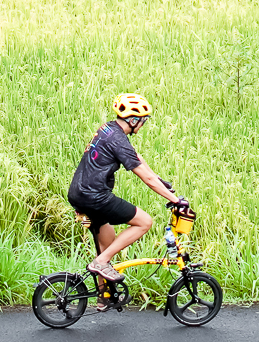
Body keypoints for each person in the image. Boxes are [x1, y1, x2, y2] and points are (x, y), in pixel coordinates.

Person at [67, 94, 187, 285]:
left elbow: (136, 157)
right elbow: (145, 178)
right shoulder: (117, 139)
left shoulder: (109, 129)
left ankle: (103, 295)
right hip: (95, 196)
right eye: (143, 120)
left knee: (107, 243)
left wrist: (159, 180)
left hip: (79, 194)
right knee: (144, 222)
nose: (143, 124)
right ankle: (100, 262)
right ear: (133, 120)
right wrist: (175, 200)